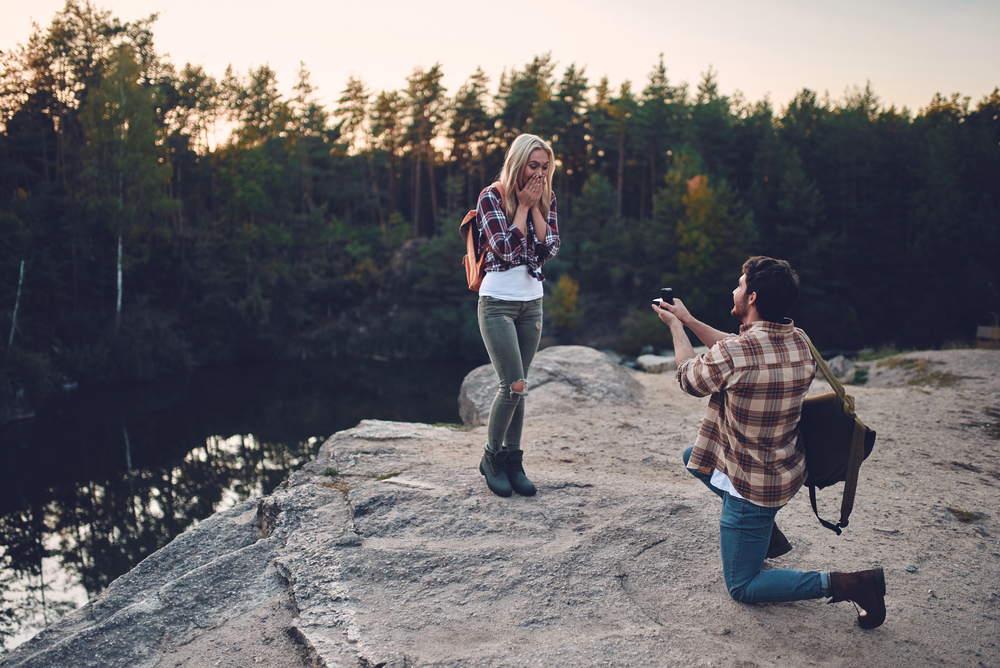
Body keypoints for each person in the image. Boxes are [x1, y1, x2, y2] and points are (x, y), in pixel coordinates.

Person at [651, 256, 886, 629]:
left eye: (739, 285)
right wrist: (691, 320)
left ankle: (852, 583)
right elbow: (735, 347)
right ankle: (765, 537)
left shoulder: (739, 354)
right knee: (694, 458)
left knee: (743, 585)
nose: (734, 289)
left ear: (753, 297)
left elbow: (689, 378)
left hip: (753, 488)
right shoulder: (797, 340)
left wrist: (676, 330)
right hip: (787, 468)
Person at [475, 134, 560, 497]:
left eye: (545, 167)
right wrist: (522, 208)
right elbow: (506, 251)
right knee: (513, 385)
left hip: (532, 303)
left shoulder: (547, 198)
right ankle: (492, 458)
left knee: (521, 389)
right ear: (518, 163)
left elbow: (550, 246)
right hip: (497, 303)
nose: (539, 173)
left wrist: (537, 206)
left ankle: (513, 459)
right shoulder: (491, 196)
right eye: (533, 165)